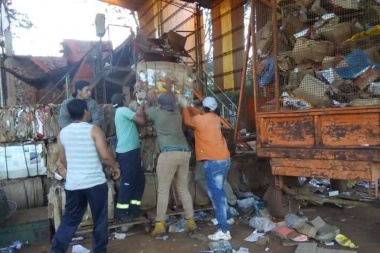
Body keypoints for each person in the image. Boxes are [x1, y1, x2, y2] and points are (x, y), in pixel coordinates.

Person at [51, 99, 120, 253]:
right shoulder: (94, 130)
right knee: (100, 220)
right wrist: (115, 167)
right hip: (95, 183)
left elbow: (63, 160)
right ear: (85, 112)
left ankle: (57, 250)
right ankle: (99, 250)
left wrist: (75, 171)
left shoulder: (62, 133)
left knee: (70, 219)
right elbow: (105, 156)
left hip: (73, 184)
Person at [144, 79, 197, 236]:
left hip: (169, 155)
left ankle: (160, 224)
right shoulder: (177, 114)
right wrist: (168, 86)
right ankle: (191, 221)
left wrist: (151, 98)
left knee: (163, 190)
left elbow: (145, 107)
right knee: (182, 188)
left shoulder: (157, 114)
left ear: (160, 105)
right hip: (184, 153)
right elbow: (172, 100)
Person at [182, 96, 233, 241]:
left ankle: (224, 230)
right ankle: (228, 217)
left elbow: (187, 120)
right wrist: (193, 107)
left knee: (217, 196)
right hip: (224, 159)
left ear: (204, 109)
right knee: (220, 191)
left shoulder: (200, 120)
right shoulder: (215, 117)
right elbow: (198, 111)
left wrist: (184, 106)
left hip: (214, 162)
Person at [111, 93, 146, 222]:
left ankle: (133, 208)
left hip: (131, 152)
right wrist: (141, 109)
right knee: (128, 181)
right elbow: (142, 121)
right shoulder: (123, 110)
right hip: (128, 152)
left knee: (139, 180)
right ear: (123, 101)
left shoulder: (119, 112)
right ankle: (120, 211)